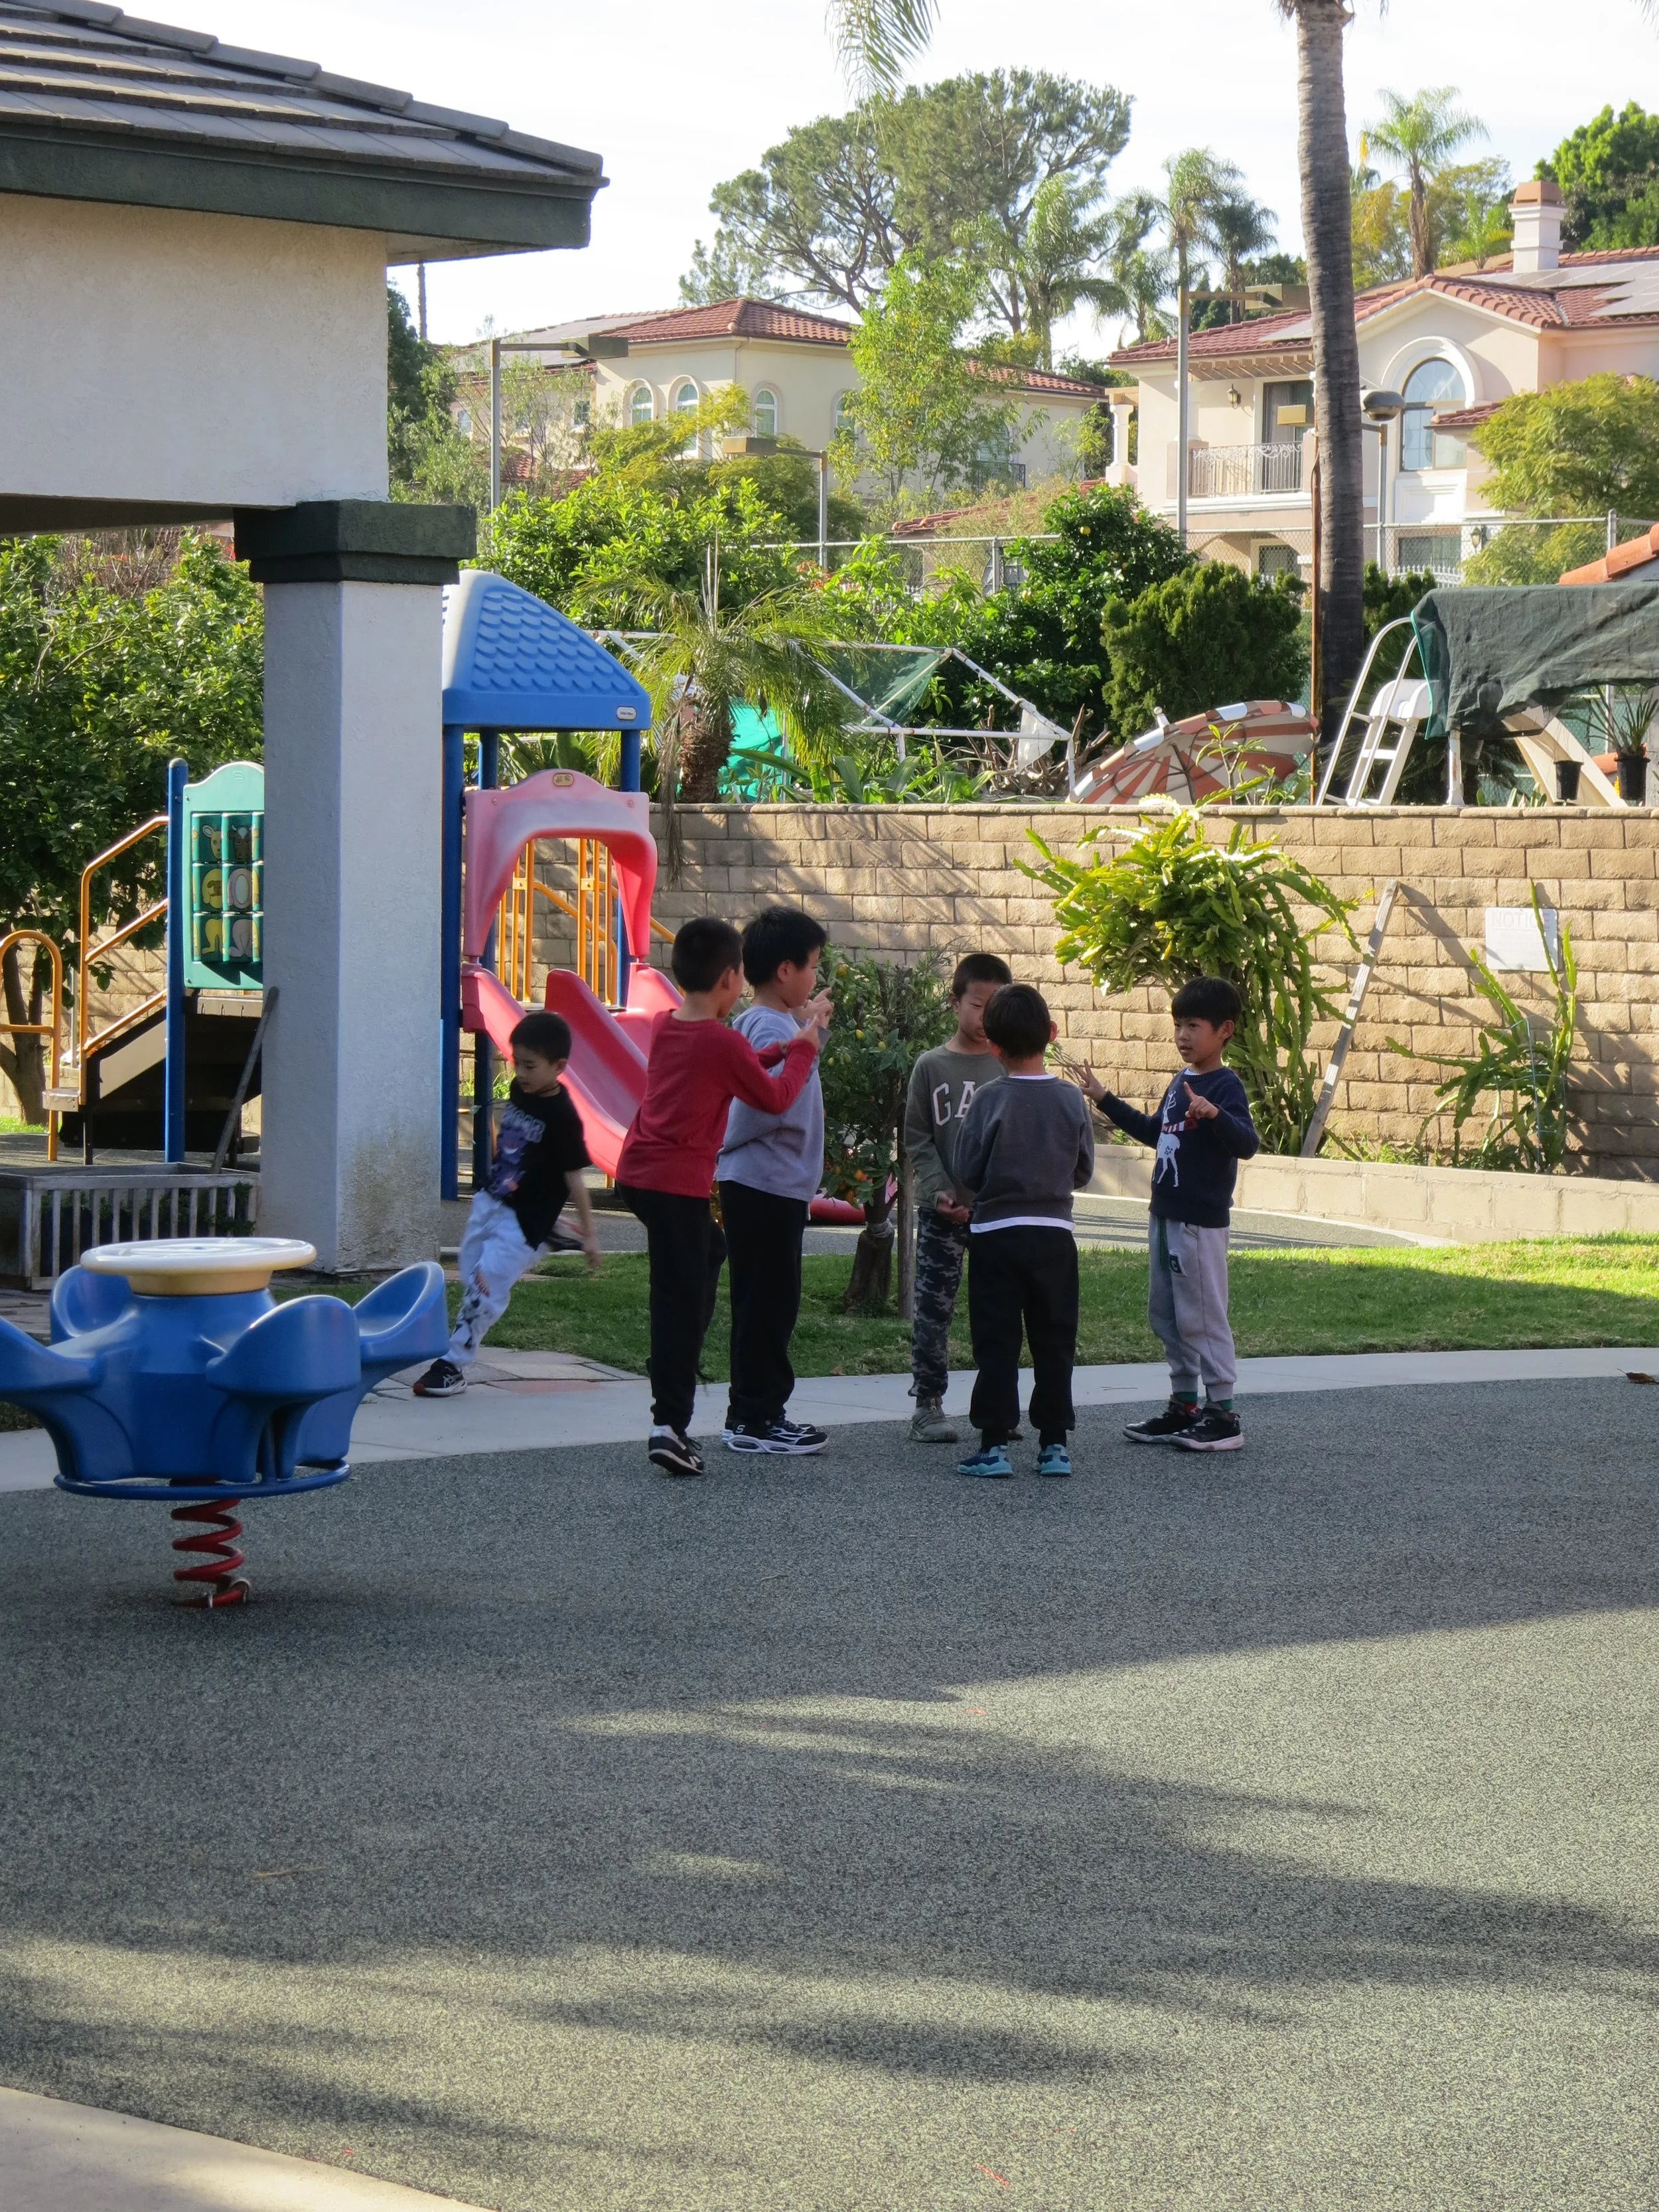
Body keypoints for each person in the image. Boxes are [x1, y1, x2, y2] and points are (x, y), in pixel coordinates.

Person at [615, 915, 830, 1479]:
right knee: (679, 1308)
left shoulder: (669, 1025)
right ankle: (671, 1427)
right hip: (673, 1185)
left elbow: (735, 1069)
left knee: (711, 1255)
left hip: (639, 1175)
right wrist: (805, 1047)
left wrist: (785, 1046)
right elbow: (777, 1097)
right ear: (732, 979)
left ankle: (689, 1407)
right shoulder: (722, 1038)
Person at [1070, 976, 1260, 1453]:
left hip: (1199, 1221)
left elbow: (1248, 1143)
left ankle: (1223, 1414)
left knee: (1203, 1316)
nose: (1182, 1035)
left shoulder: (1225, 1084)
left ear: (1225, 1030)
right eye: (1178, 1025)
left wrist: (1216, 1115)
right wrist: (1104, 1098)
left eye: (1194, 1025)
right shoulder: (1181, 1082)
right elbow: (1158, 1133)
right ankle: (1185, 1405)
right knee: (1168, 1316)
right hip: (1164, 1214)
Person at [413, 1009, 599, 1398]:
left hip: (527, 1217)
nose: (521, 1072)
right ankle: (554, 1234)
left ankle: (453, 1364)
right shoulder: (520, 1089)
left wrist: (592, 1234)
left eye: (531, 1065)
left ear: (559, 1066)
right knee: (470, 1271)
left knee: (486, 1285)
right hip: (492, 1198)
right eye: (517, 1062)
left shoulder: (564, 1117)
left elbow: (574, 1178)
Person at [952, 982, 1094, 1480]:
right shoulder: (1072, 1099)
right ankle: (1054, 1444)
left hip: (996, 1234)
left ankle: (993, 1445)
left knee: (998, 1341)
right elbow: (1083, 1169)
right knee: (1054, 1340)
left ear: (993, 1044)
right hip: (1054, 1234)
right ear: (1051, 1034)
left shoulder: (989, 1099)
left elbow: (968, 1168)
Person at [714, 906, 831, 1456]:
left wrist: (813, 1031)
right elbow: (761, 1102)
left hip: (771, 1185)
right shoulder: (766, 1025)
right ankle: (758, 1416)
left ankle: (755, 1412)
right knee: (767, 1303)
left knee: (766, 1301)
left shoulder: (778, 1024)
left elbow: (794, 1073)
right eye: (811, 965)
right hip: (762, 1184)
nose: (815, 976)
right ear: (785, 970)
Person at [901, 952, 1012, 1443]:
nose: (986, 1018)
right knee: (933, 1311)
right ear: (955, 1002)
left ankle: (997, 1409)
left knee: (999, 1312)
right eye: (978, 1004)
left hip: (995, 1214)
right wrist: (940, 1190)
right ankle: (927, 1404)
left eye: (996, 1007)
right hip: (942, 1212)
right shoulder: (931, 1065)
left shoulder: (1010, 1066)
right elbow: (918, 1136)